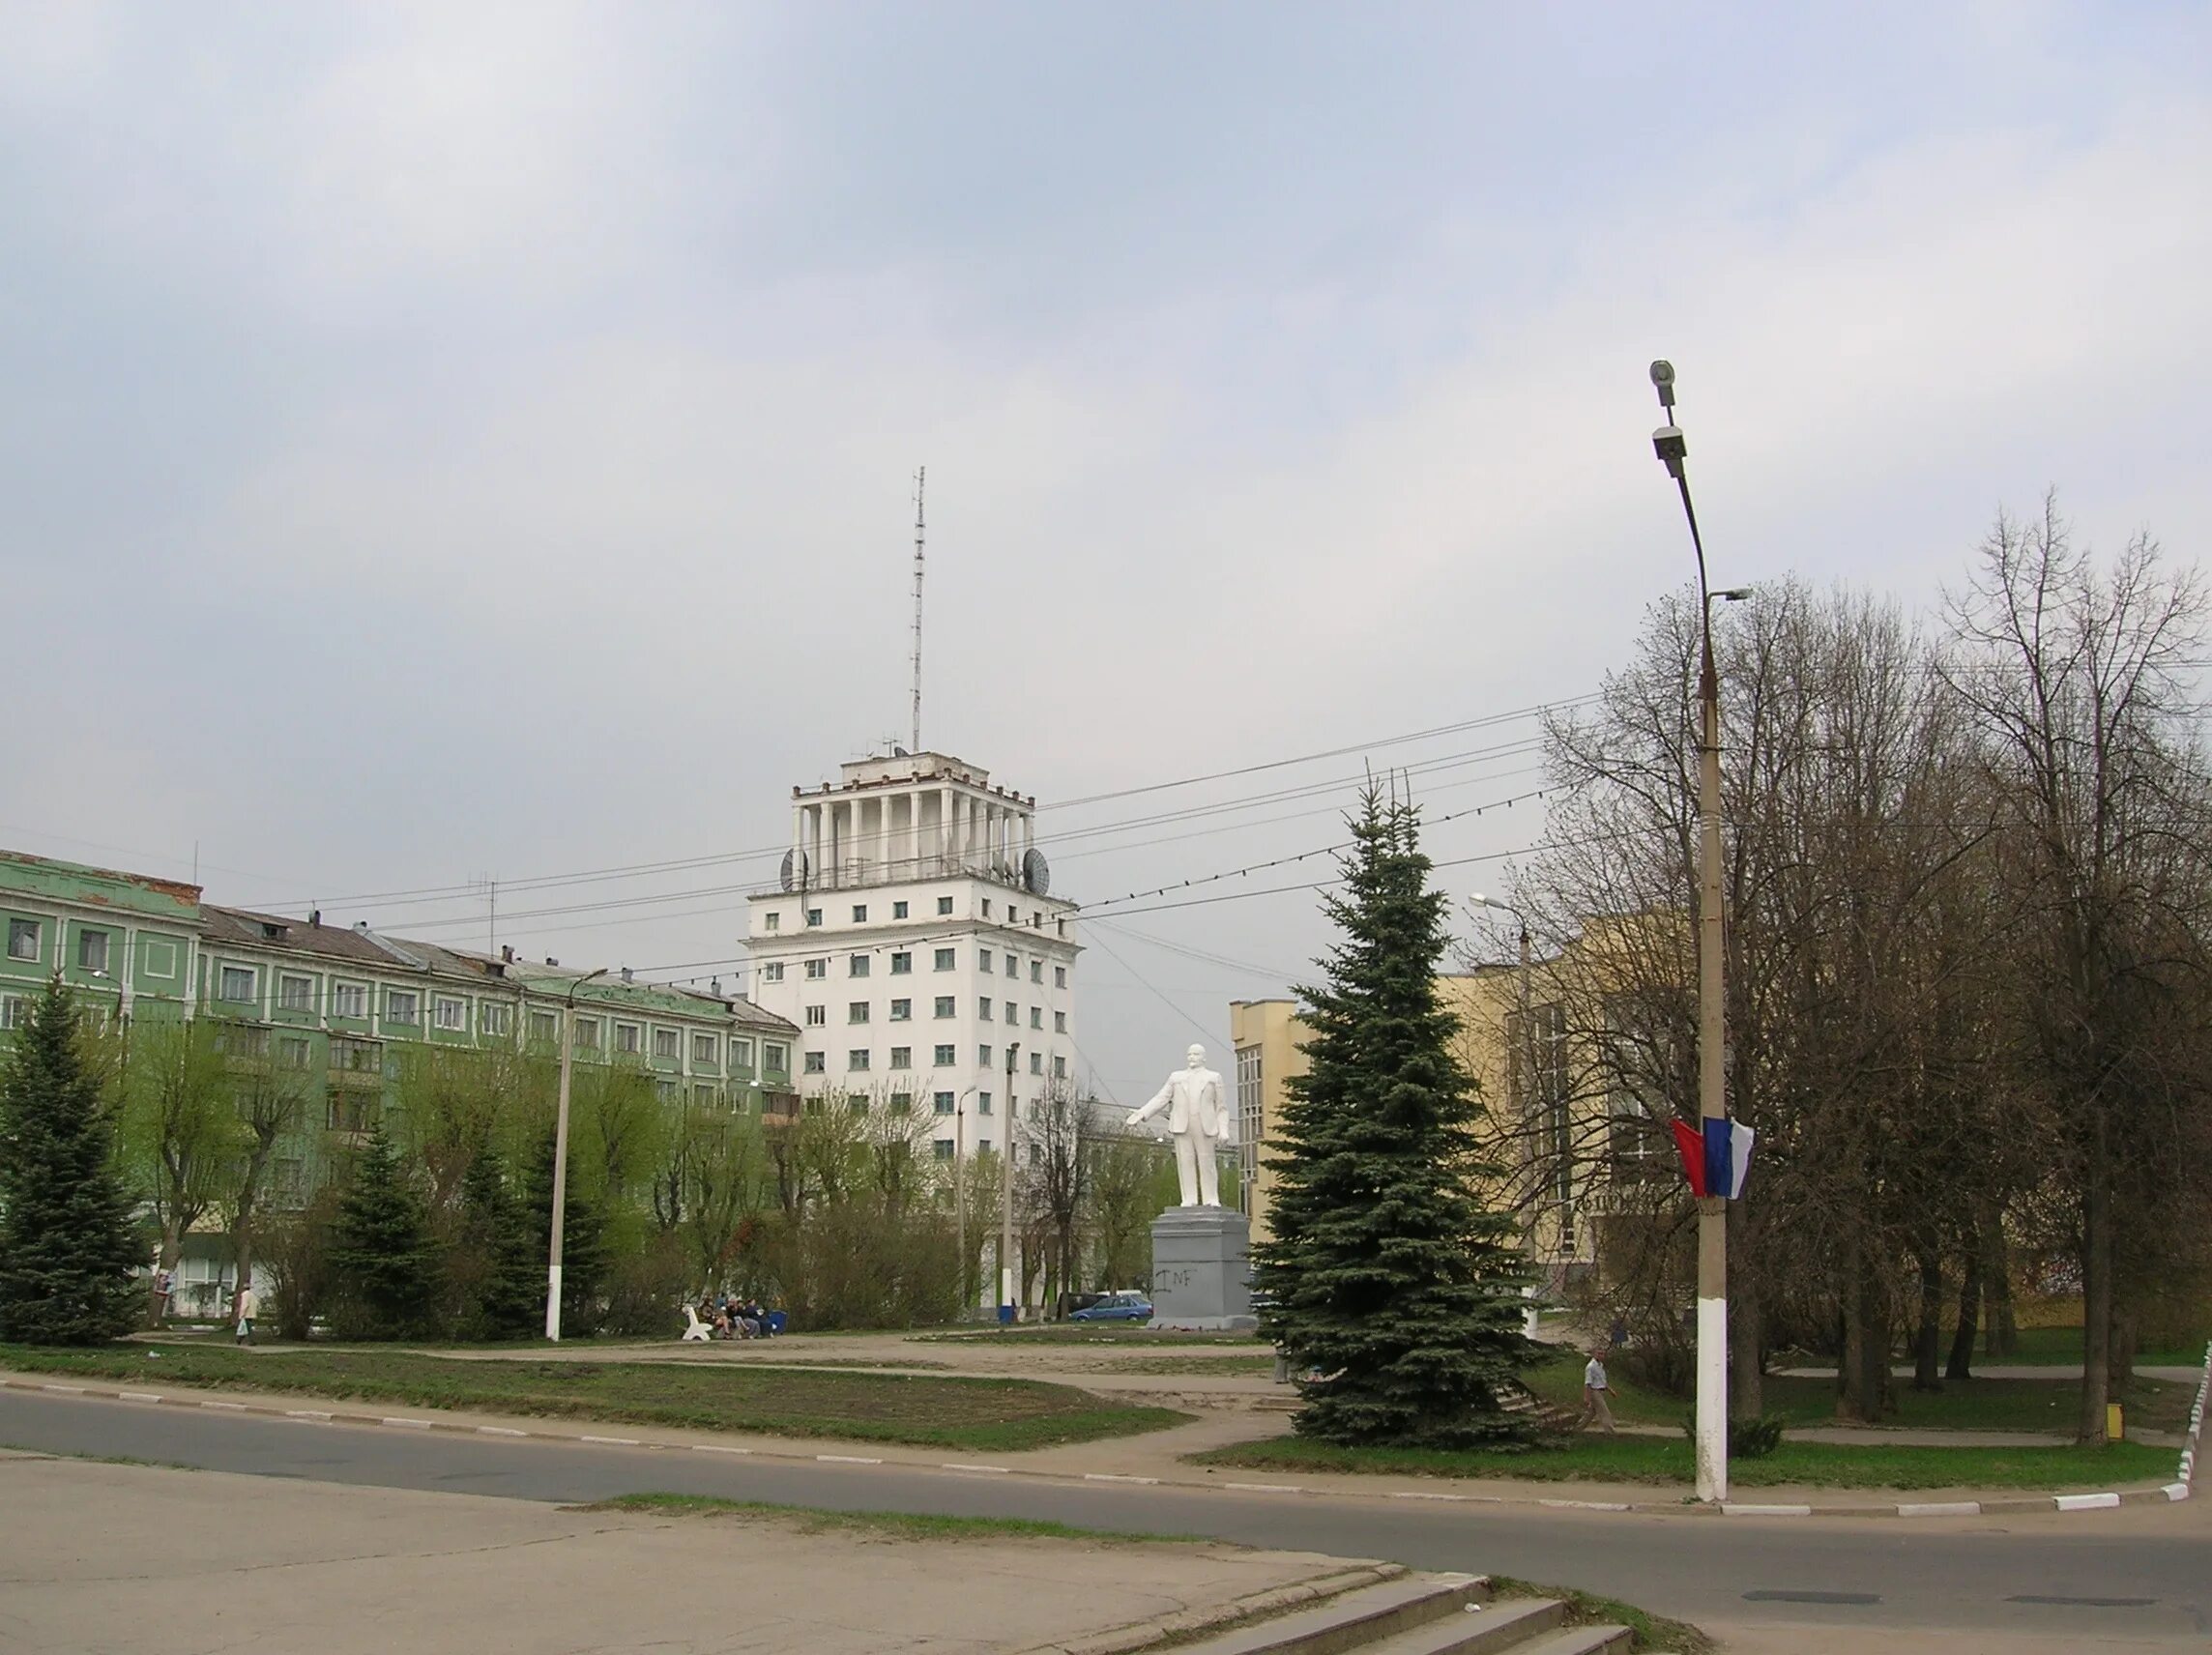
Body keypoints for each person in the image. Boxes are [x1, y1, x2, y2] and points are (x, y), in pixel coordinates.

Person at [1127, 1044, 1228, 1207]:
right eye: (1189, 1054)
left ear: (1204, 1057)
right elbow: (1161, 1098)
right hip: (1182, 1125)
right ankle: (1189, 1198)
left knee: (1206, 1162)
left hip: (1205, 1125)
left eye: (1195, 1054)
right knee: (1184, 1161)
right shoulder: (1176, 1078)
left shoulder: (1214, 1078)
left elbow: (1222, 1108)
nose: (1192, 1057)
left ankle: (1211, 1198)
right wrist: (1142, 1113)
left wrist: (1223, 1130)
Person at [1581, 1347, 1615, 1434]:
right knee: (1605, 1412)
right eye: (1599, 1353)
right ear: (1594, 1354)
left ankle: (1576, 1429)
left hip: (1601, 1390)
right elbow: (1588, 1383)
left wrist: (1610, 1390)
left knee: (1590, 1413)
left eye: (1603, 1354)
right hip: (1594, 1392)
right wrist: (1586, 1397)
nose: (1601, 1355)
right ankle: (1610, 1432)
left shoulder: (1600, 1365)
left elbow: (1602, 1380)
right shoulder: (1590, 1367)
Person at [234, 1283, 258, 1347]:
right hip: (251, 1314)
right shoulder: (252, 1295)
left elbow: (245, 1305)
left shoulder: (244, 1295)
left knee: (246, 1328)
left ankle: (240, 1339)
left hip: (246, 1314)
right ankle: (242, 1340)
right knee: (247, 1328)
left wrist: (242, 1313)